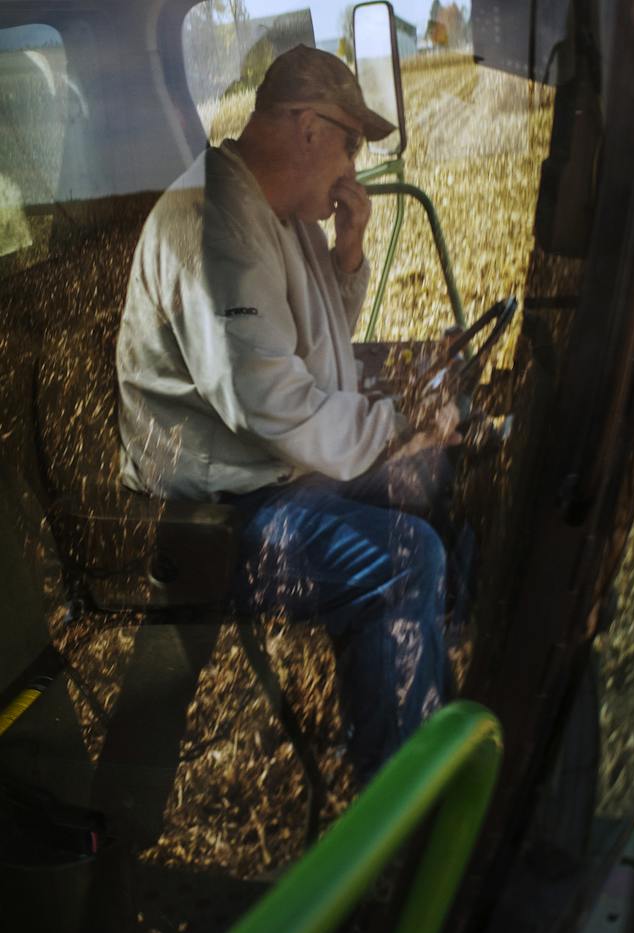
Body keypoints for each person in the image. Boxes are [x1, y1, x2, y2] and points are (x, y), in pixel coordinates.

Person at [115, 45, 455, 783]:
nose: (351, 169)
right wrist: (396, 427)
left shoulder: (278, 210)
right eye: (349, 144)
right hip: (215, 516)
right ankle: (397, 815)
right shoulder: (212, 223)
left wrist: (350, 252)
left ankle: (423, 725)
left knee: (439, 484)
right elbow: (271, 399)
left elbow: (316, 346)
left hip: (275, 474)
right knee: (406, 561)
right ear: (306, 126)